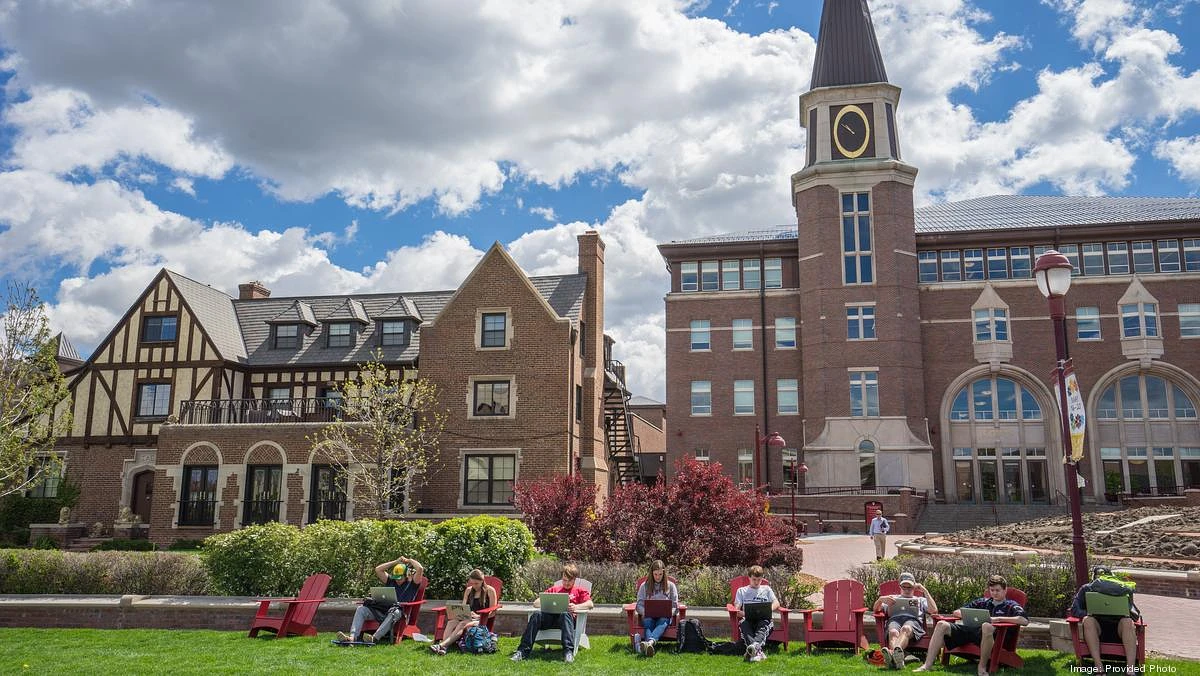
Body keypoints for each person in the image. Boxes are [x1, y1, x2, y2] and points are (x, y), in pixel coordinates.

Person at [915, 574, 1028, 676]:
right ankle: (927, 665)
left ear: (1005, 590)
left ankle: (982, 667)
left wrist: (997, 619)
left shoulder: (1011, 605)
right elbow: (957, 612)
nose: (994, 593)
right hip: (973, 633)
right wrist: (969, 615)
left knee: (986, 626)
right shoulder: (982, 602)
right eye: (992, 590)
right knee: (941, 624)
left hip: (995, 638)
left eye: (997, 590)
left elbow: (1024, 620)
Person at [511, 563, 594, 663]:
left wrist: (576, 607)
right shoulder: (555, 590)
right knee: (536, 615)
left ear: (574, 580)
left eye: (569, 580)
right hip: (550, 619)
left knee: (564, 613)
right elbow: (536, 603)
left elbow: (590, 604)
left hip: (567, 622)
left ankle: (568, 653)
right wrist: (547, 604)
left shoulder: (580, 591)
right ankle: (522, 652)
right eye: (564, 580)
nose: (566, 583)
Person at [337, 555, 425, 644]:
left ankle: (374, 638)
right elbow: (378, 569)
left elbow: (420, 568)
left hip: (399, 613)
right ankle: (352, 638)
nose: (397, 580)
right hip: (382, 610)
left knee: (395, 612)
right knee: (361, 609)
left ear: (406, 575)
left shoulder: (413, 584)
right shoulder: (391, 581)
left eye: (400, 578)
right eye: (396, 578)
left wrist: (409, 560)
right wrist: (395, 561)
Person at [1070, 565, 1140, 672]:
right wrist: (1090, 613)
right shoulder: (1086, 588)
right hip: (1096, 630)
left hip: (1119, 630)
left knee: (1127, 621)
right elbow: (1074, 610)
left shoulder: (1120, 589)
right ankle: (1099, 667)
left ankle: (1130, 669)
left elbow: (1133, 613)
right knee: (1088, 620)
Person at [873, 572, 938, 669]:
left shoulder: (920, 600)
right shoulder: (891, 598)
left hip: (913, 622)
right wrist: (880, 600)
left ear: (914, 587)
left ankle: (892, 655)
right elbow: (876, 610)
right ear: (900, 586)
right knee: (893, 632)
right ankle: (898, 659)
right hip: (894, 620)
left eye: (910, 587)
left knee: (906, 628)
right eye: (904, 587)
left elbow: (934, 611)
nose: (907, 590)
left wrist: (925, 591)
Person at [429, 569, 498, 655]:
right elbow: (463, 607)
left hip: (481, 620)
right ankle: (444, 648)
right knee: (451, 622)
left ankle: (441, 645)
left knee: (462, 624)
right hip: (468, 618)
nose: (474, 586)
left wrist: (478, 616)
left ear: (482, 581)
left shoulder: (490, 591)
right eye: (472, 583)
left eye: (476, 583)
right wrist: (459, 613)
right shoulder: (469, 590)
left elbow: (493, 612)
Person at [634, 560, 679, 657]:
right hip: (648, 615)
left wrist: (670, 612)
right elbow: (639, 605)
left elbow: (675, 606)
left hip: (664, 616)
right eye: (655, 574)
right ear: (651, 573)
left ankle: (648, 643)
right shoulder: (644, 586)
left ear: (664, 573)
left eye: (660, 574)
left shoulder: (671, 586)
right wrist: (644, 612)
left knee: (662, 621)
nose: (658, 577)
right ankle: (650, 644)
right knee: (648, 622)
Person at [734, 565, 779, 663]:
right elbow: (737, 608)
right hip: (748, 619)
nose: (756, 582)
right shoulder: (741, 591)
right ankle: (758, 651)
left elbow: (776, 603)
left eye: (759, 579)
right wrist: (741, 612)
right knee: (744, 624)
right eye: (754, 579)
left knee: (763, 625)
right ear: (749, 578)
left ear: (762, 578)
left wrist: (768, 610)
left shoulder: (766, 589)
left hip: (764, 620)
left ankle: (752, 650)